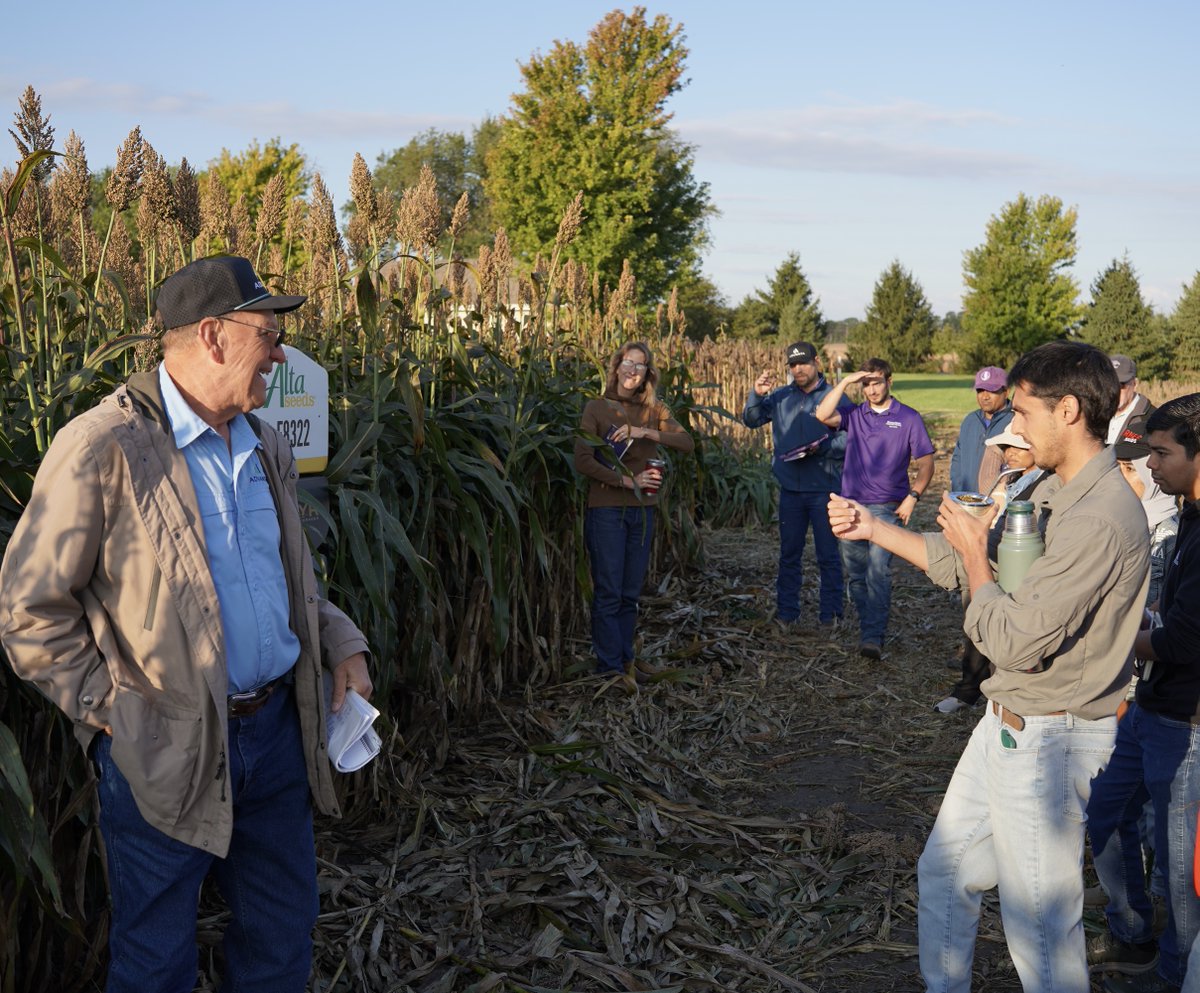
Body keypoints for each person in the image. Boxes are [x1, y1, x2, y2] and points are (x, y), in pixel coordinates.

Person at [0, 256, 373, 993]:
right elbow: (27, 610)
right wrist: (115, 712)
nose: (279, 352)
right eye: (268, 332)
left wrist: (343, 644)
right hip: (162, 750)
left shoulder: (265, 444)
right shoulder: (102, 446)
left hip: (275, 740)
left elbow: (288, 580)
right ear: (212, 335)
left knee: (279, 935)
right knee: (156, 961)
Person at [828, 340, 1149, 993]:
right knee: (945, 873)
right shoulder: (1045, 486)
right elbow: (958, 567)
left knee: (1040, 927)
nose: (1013, 428)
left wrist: (978, 554)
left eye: (1024, 413)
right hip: (1007, 725)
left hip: (1051, 740)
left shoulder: (1101, 517)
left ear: (1067, 411)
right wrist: (870, 525)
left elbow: (1011, 638)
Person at [1086, 396, 1200, 993]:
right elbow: (1177, 617)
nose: (1150, 466)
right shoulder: (1188, 515)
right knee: (1106, 812)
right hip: (1151, 707)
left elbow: (1183, 639)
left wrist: (1114, 636)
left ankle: (1174, 973)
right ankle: (1133, 930)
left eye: (1161, 453)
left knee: (1182, 872)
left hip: (1186, 723)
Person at [573, 342, 694, 687]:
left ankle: (625, 661)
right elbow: (582, 461)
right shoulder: (596, 408)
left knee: (629, 593)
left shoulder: (654, 409)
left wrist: (644, 431)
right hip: (607, 510)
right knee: (609, 592)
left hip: (642, 513)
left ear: (647, 374)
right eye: (627, 363)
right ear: (616, 367)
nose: (632, 371)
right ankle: (608, 669)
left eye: (640, 366)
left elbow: (686, 442)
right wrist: (629, 481)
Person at [813, 358, 934, 659]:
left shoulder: (908, 418)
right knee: (856, 575)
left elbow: (927, 463)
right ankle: (870, 625)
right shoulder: (854, 414)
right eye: (866, 384)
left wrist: (913, 496)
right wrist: (844, 383)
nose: (871, 389)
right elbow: (821, 414)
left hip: (886, 506)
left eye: (876, 382)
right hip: (850, 505)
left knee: (878, 571)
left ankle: (872, 636)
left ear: (889, 381)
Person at [934, 426, 1050, 714]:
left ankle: (1001, 698)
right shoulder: (1014, 479)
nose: (1009, 454)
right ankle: (970, 690)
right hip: (991, 559)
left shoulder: (1048, 484)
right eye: (1005, 448)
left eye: (1017, 448)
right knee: (977, 624)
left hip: (1017, 570)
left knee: (1005, 634)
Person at [743, 341, 853, 629]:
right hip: (791, 490)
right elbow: (752, 419)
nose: (798, 369)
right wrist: (756, 394)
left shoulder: (835, 396)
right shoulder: (780, 396)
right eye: (793, 365)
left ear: (816, 362)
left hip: (825, 490)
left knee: (828, 555)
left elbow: (852, 438)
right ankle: (787, 613)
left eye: (803, 363)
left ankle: (831, 616)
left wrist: (825, 447)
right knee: (789, 554)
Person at [949, 365, 1013, 494]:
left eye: (991, 390)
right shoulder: (970, 421)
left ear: (1006, 392)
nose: (985, 396)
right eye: (980, 390)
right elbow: (957, 460)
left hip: (999, 504)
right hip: (967, 501)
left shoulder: (1017, 421)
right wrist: (959, 493)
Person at [1107, 354, 1156, 445]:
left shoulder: (1153, 421)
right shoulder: (1094, 415)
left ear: (1135, 384)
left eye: (1121, 385)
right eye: (1109, 384)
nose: (1115, 390)